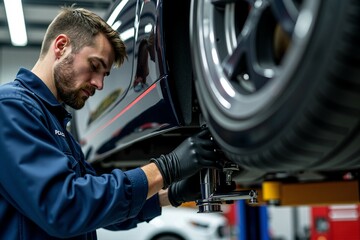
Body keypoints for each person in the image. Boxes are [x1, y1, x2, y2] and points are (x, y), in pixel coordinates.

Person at [0, 6, 220, 240]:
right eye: (95, 66)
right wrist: (165, 169)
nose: (99, 84)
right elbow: (65, 208)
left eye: (104, 74)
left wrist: (171, 195)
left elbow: (97, 210)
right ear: (61, 46)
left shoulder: (54, 121)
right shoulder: (11, 108)